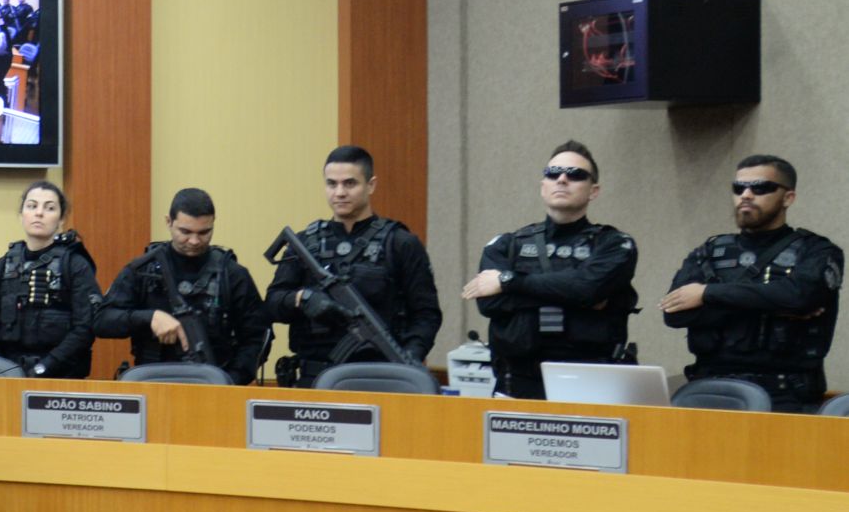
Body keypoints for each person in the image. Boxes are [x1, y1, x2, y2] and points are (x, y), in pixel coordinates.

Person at [662, 156, 840, 411]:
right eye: (739, 188)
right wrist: (769, 301)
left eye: (760, 187)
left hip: (786, 393)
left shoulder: (817, 250)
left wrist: (707, 293)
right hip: (709, 389)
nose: (746, 195)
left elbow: (799, 297)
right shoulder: (710, 250)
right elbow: (674, 315)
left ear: (788, 198)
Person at [468, 142, 639, 400]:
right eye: (553, 173)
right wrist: (572, 294)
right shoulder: (507, 245)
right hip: (516, 383)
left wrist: (508, 281)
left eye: (575, 174)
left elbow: (585, 288)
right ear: (543, 185)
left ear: (594, 191)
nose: (562, 179)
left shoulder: (614, 244)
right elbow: (490, 303)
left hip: (592, 382)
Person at [266, 145, 444, 385]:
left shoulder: (400, 243)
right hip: (314, 378)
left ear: (371, 185)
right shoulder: (306, 243)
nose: (339, 192)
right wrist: (303, 298)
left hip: (382, 375)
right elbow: (272, 304)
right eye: (332, 184)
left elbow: (426, 314)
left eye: (350, 183)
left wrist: (410, 358)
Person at [97, 188, 270, 381]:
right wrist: (149, 318)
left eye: (204, 232)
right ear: (168, 222)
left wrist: (229, 382)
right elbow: (102, 321)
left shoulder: (233, 275)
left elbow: (258, 338)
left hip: (216, 383)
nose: (194, 241)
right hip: (152, 381)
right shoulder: (142, 269)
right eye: (185, 232)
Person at [0, 180, 99, 378]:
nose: (39, 213)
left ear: (61, 219)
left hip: (61, 376)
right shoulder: (1, 267)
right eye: (32, 206)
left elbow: (85, 328)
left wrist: (45, 367)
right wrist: (0, 367)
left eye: (49, 208)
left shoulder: (75, 265)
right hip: (4, 374)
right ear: (21, 215)